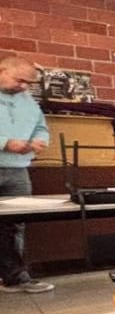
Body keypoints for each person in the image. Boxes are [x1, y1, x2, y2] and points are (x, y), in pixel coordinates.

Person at [0, 56, 53, 293]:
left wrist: (40, 140)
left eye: (27, 83)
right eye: (19, 80)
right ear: (2, 71)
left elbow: (41, 126)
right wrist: (5, 143)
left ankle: (15, 278)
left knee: (16, 224)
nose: (23, 86)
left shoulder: (28, 100)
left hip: (18, 169)